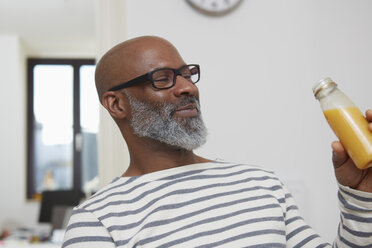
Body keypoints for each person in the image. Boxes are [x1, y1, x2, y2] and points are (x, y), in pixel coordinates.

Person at [62, 36, 372, 247]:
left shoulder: (261, 183)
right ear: (117, 104)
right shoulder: (97, 220)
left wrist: (360, 195)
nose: (187, 88)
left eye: (186, 74)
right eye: (162, 78)